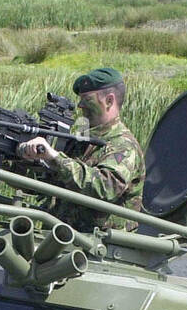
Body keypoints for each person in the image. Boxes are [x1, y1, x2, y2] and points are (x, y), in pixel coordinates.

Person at [15, 67, 145, 233]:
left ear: (109, 101)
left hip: (100, 247)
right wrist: (15, 158)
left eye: (87, 99)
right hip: (63, 239)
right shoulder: (82, 142)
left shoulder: (124, 145)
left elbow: (105, 187)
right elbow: (45, 184)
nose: (80, 105)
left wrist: (55, 157)